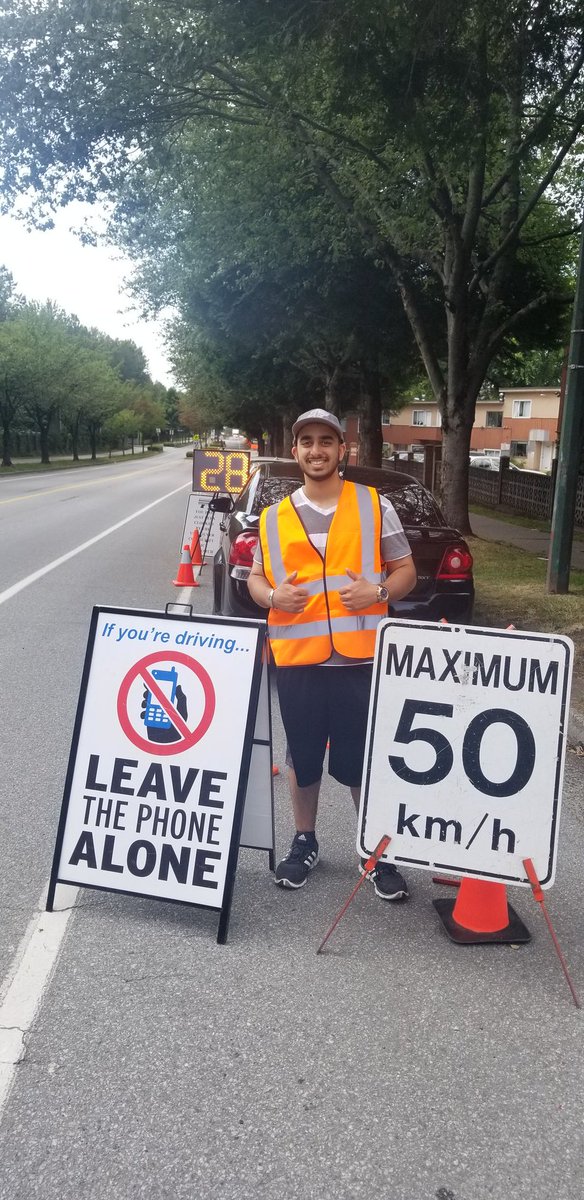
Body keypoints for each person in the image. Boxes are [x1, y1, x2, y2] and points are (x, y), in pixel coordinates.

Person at [247, 408, 417, 898]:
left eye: (327, 441)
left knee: (362, 759)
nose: (317, 450)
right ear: (295, 450)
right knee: (302, 757)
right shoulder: (273, 517)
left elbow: (405, 571)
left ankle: (372, 850)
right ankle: (305, 841)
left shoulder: (373, 505)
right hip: (299, 659)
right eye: (307, 442)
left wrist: (381, 593)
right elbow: (258, 579)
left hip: (360, 660)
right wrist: (272, 597)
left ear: (343, 450)